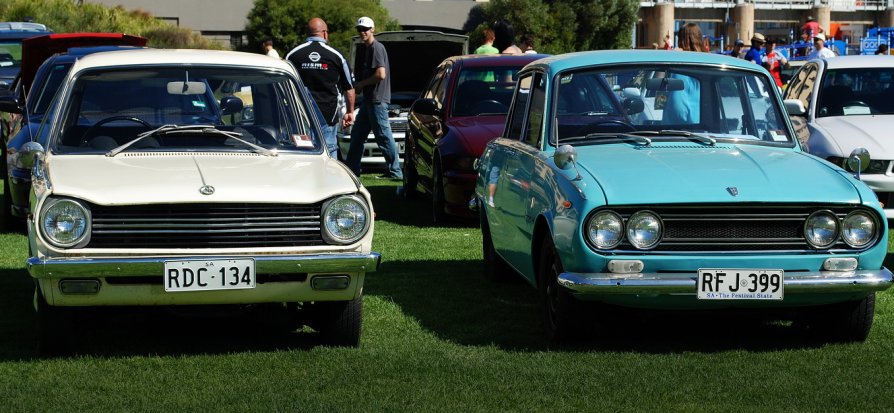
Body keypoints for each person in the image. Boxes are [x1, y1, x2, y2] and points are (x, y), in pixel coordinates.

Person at [285, 18, 355, 160]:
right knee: (329, 153)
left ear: (308, 33)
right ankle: (331, 180)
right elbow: (349, 89)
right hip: (327, 115)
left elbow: (282, 86)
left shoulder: (292, 55)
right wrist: (349, 112)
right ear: (324, 33)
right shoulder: (336, 56)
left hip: (301, 116)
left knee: (302, 153)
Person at [345, 16, 403, 180]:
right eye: (359, 29)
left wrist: (361, 84)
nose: (362, 32)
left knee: (383, 136)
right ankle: (351, 170)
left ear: (373, 30)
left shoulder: (376, 48)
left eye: (365, 29)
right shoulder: (369, 48)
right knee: (357, 135)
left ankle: (395, 172)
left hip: (377, 100)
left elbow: (380, 74)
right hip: (369, 101)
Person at [664, 23, 704, 124]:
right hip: (704, 121)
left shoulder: (678, 60)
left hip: (678, 124)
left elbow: (659, 77)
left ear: (681, 39)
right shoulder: (707, 61)